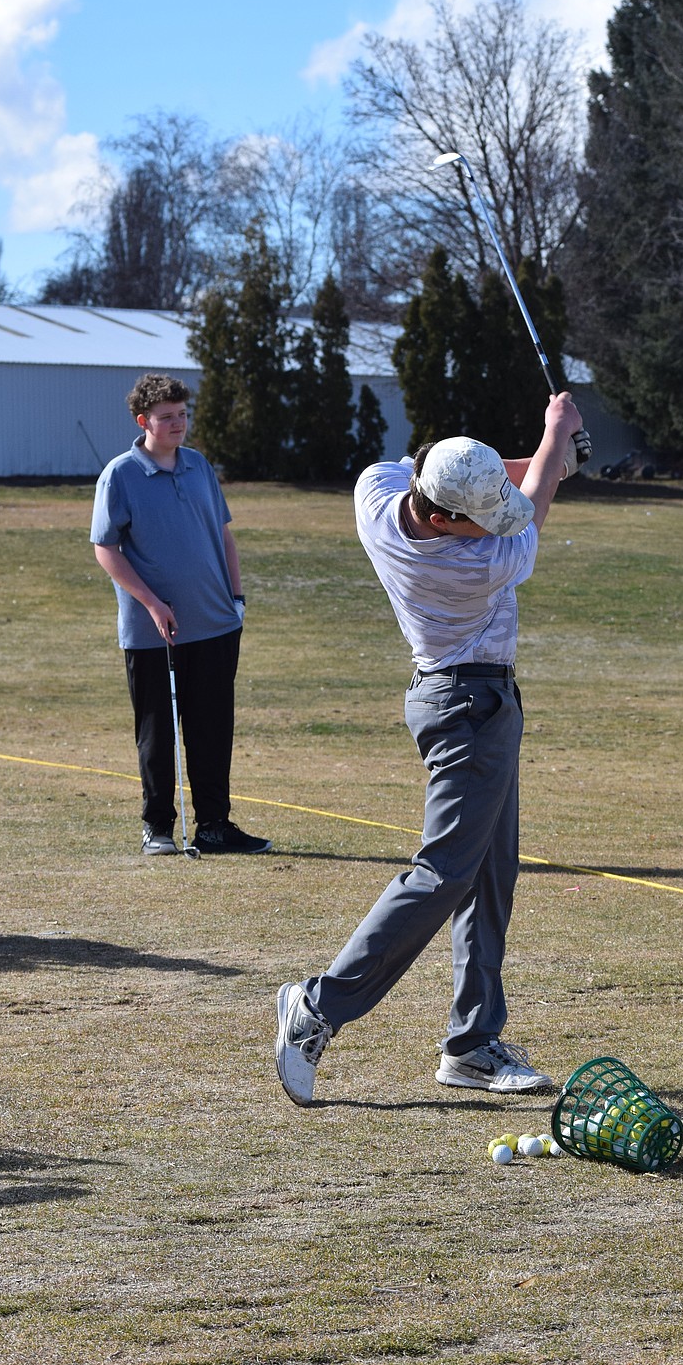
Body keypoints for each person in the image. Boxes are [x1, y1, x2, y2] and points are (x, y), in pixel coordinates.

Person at [276, 391, 586, 1105]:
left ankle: (472, 1045)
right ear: (445, 519)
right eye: (480, 519)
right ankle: (318, 1006)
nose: (491, 526)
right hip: (469, 706)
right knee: (444, 870)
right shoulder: (477, 564)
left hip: (469, 700)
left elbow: (493, 478)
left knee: (488, 874)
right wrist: (555, 436)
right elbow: (531, 504)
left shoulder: (377, 492)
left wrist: (549, 449)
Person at [90, 373, 271, 857]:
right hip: (154, 633)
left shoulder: (199, 467)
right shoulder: (121, 474)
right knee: (157, 731)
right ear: (143, 420)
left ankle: (214, 825)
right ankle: (158, 827)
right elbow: (105, 549)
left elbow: (224, 536)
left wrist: (236, 600)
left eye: (183, 415)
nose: (177, 424)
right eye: (167, 417)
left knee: (212, 729)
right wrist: (151, 602)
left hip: (216, 623)